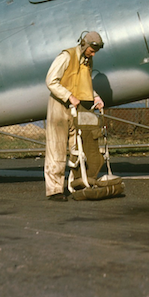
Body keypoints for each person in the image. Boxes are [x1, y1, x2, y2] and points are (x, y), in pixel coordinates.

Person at [44, 30, 105, 201]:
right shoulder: (66, 56)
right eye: (92, 51)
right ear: (84, 44)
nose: (93, 54)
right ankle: (54, 190)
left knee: (77, 149)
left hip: (77, 108)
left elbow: (85, 83)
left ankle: (78, 184)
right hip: (59, 105)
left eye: (95, 52)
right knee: (56, 148)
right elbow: (51, 80)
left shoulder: (88, 61)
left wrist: (95, 96)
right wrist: (68, 96)